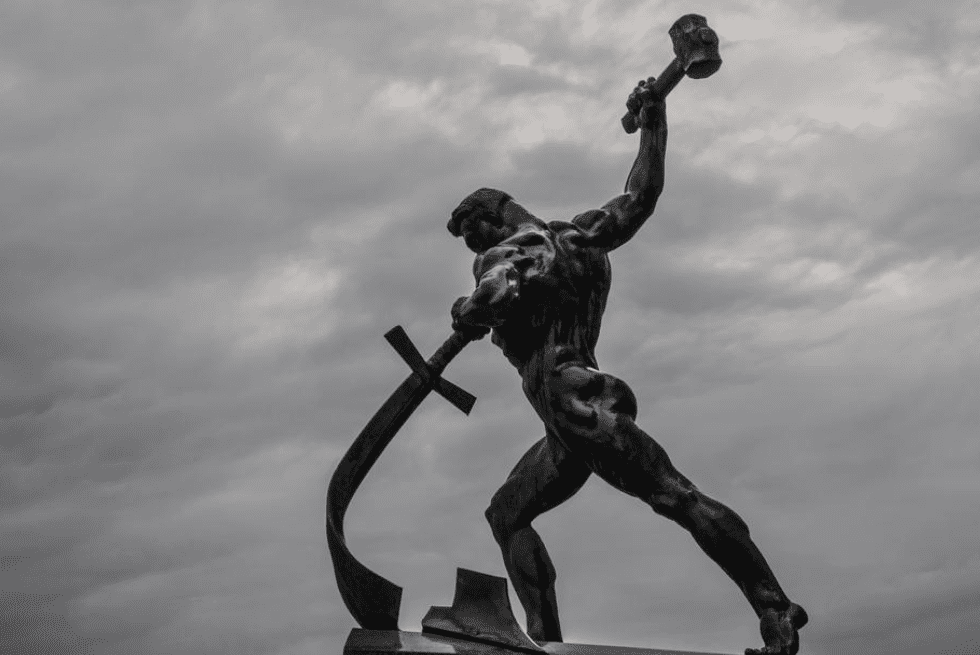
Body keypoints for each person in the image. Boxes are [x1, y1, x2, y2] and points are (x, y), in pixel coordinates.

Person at [447, 78, 807, 655]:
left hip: (571, 400)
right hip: (566, 418)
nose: (471, 247)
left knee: (674, 494)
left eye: (471, 235)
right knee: (507, 512)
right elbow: (641, 196)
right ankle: (543, 642)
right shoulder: (583, 238)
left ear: (492, 217)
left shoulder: (513, 249)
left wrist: (469, 311)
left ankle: (773, 607)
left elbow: (497, 286)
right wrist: (654, 122)